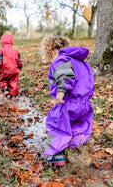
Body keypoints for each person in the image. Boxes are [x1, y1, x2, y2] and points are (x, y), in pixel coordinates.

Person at [40, 36, 95, 166]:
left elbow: (64, 74)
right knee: (78, 127)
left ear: (52, 50)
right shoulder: (81, 63)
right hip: (85, 104)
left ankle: (55, 155)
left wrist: (61, 91)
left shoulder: (60, 59)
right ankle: (75, 151)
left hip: (68, 103)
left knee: (56, 125)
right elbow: (91, 76)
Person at [0, 33, 22, 99]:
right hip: (14, 71)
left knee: (3, 80)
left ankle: (5, 89)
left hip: (5, 70)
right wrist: (20, 66)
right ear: (11, 42)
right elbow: (19, 60)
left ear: (2, 42)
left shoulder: (1, 50)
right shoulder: (16, 51)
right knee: (14, 83)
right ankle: (13, 96)